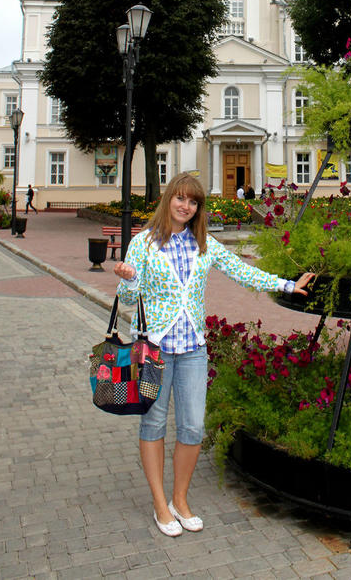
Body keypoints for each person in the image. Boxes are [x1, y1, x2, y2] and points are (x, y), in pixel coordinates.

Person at [114, 172, 313, 538]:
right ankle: (160, 504)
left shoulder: (203, 243)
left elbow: (240, 271)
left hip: (192, 350)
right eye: (180, 198)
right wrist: (128, 280)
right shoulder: (142, 244)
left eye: (193, 201)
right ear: (168, 199)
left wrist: (286, 284)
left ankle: (180, 499)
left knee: (192, 427)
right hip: (152, 350)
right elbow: (126, 300)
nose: (186, 206)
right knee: (153, 426)